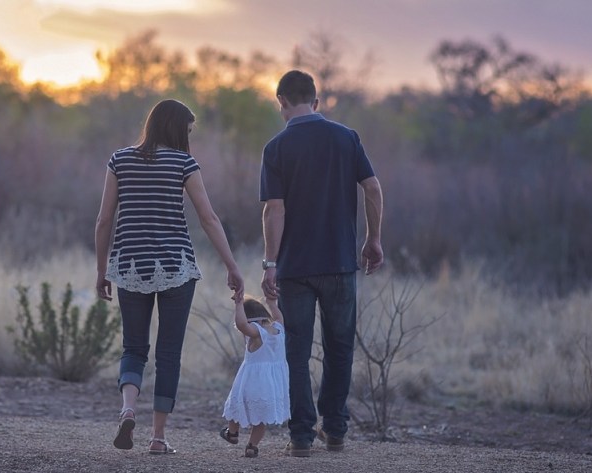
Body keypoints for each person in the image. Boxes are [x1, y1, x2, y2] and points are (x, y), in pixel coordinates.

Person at [95, 98, 244, 455]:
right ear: (178, 128)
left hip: (129, 266)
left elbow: (103, 220)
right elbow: (208, 218)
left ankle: (128, 408)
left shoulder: (119, 160)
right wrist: (232, 266)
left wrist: (102, 271)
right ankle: (158, 438)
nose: (189, 137)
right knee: (169, 354)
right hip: (176, 267)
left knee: (133, 347)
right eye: (188, 130)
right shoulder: (183, 163)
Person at [259, 70, 384, 457]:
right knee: (340, 347)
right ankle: (335, 430)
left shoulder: (276, 147)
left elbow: (273, 210)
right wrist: (373, 238)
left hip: (295, 268)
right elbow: (373, 188)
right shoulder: (346, 138)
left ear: (281, 101)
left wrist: (270, 262)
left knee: (296, 351)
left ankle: (300, 436)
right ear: (316, 101)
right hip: (340, 263)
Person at [219, 294, 289, 458]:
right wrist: (272, 303)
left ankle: (233, 433)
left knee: (236, 405)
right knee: (261, 418)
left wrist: (238, 305)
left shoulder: (256, 333)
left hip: (252, 381)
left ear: (252, 321)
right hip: (272, 385)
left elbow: (242, 324)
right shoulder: (279, 328)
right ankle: (252, 446)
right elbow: (278, 316)